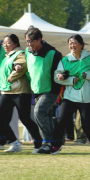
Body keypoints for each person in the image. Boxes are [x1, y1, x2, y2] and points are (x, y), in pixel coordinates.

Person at [0, 33, 42, 153]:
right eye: (4, 43)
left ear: (15, 43)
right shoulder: (7, 56)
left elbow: (22, 64)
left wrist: (11, 77)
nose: (5, 45)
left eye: (8, 43)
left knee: (25, 118)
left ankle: (38, 142)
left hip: (20, 90)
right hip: (7, 90)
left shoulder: (19, 53)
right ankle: (5, 140)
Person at [52, 34, 90, 154]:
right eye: (70, 43)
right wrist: (72, 80)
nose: (72, 45)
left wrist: (86, 75)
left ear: (81, 45)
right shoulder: (65, 60)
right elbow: (56, 78)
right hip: (69, 97)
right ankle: (56, 145)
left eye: (75, 43)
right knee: (61, 120)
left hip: (87, 97)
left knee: (86, 124)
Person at [24, 26, 63, 154]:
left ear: (39, 39)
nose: (29, 44)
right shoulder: (27, 52)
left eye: (31, 41)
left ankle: (47, 142)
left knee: (39, 112)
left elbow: (61, 71)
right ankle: (54, 143)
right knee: (46, 116)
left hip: (51, 90)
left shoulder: (53, 53)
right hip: (36, 89)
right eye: (27, 41)